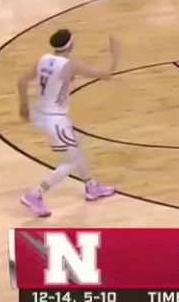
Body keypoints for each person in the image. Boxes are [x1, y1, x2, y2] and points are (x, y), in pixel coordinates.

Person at [16, 29, 119, 217]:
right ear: (71, 44)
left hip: (41, 114)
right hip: (56, 119)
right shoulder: (71, 65)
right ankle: (35, 194)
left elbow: (22, 81)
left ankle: (91, 186)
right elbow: (106, 75)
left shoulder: (43, 59)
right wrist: (114, 56)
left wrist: (23, 106)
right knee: (68, 163)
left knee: (76, 147)